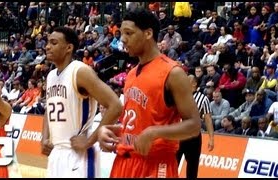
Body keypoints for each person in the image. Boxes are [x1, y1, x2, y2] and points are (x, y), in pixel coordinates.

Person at [97, 8, 201, 178]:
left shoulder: (173, 73)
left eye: (129, 33)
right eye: (122, 33)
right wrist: (107, 130)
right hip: (124, 162)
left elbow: (194, 126)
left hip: (155, 163)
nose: (123, 39)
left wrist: (155, 132)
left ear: (148, 33)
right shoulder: (131, 74)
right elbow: (136, 126)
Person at [41, 26, 122, 178]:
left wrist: (90, 141)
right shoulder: (51, 75)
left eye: (53, 43)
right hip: (57, 152)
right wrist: (44, 137)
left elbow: (115, 106)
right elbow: (49, 108)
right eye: (47, 42)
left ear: (69, 48)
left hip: (78, 154)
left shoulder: (80, 71)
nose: (47, 46)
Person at [176, 75, 214, 179]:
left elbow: (208, 119)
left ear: (194, 83)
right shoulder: (178, 96)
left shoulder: (203, 99)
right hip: (178, 135)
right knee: (173, 164)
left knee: (192, 168)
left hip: (193, 137)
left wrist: (211, 138)